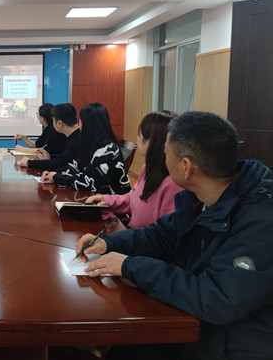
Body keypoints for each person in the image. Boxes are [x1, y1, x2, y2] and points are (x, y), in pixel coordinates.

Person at [76, 112, 273, 360]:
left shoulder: (261, 220)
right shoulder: (202, 197)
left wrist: (130, 266)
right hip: (195, 323)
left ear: (186, 167)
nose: (163, 158)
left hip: (232, 342)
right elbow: (163, 236)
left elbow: (217, 298)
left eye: (166, 154)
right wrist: (108, 243)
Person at [86, 111, 183, 229]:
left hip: (139, 239)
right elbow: (135, 198)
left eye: (139, 135)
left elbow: (163, 234)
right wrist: (106, 200)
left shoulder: (174, 184)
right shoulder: (148, 168)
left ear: (153, 142)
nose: (137, 139)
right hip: (132, 236)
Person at [41, 102, 131, 195]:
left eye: (80, 121)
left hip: (113, 201)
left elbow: (87, 182)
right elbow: (77, 165)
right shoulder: (94, 144)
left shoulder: (107, 150)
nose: (79, 125)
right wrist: (53, 173)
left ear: (88, 125)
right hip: (99, 197)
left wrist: (56, 177)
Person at [20, 103, 80, 171]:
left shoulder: (76, 140)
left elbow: (59, 163)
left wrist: (29, 162)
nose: (52, 123)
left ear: (60, 123)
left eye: (53, 120)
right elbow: (65, 158)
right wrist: (50, 157)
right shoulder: (75, 136)